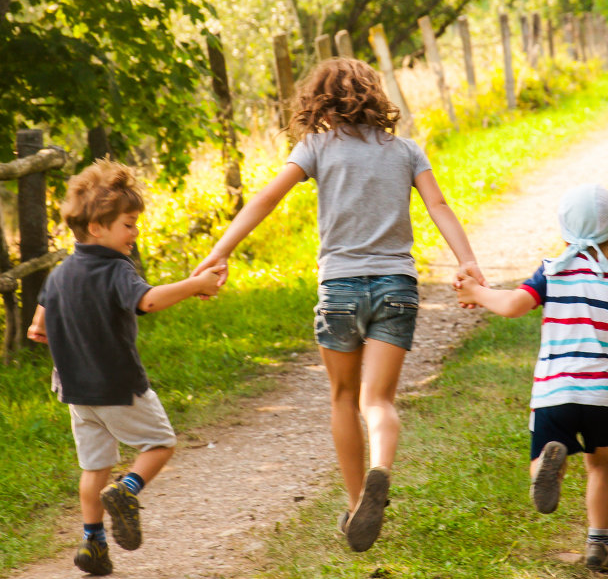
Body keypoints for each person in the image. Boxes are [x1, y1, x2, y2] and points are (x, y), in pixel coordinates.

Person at [191, 57, 484, 552]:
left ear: (320, 102)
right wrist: (468, 262)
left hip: (341, 290)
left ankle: (355, 507)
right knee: (380, 400)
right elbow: (439, 206)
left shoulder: (316, 147)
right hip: (396, 286)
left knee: (343, 399)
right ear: (374, 97)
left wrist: (219, 251)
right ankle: (380, 469)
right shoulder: (407, 150)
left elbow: (265, 199)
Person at [453, 183, 608, 572]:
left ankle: (547, 466)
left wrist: (477, 291)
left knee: (543, 452)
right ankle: (598, 542)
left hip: (555, 390)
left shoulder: (551, 273)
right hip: (602, 394)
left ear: (564, 234)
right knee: (602, 463)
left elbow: (513, 306)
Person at [28, 159, 226, 576]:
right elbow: (149, 301)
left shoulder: (60, 273)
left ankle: (93, 544)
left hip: (76, 393)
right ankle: (128, 489)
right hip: (118, 385)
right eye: (129, 225)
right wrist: (197, 285)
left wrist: (45, 330)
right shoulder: (116, 269)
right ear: (98, 227)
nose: (136, 234)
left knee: (93, 469)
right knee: (159, 444)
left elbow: (38, 323)